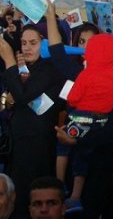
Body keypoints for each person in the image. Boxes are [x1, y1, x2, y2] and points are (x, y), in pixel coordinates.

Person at [63, 34, 113, 213]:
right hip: (83, 154)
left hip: (98, 163)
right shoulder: (112, 78)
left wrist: (77, 140)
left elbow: (112, 131)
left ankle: (73, 195)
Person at [0, 25, 66, 219]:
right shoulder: (30, 69)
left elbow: (21, 96)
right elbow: (14, 98)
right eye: (23, 43)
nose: (27, 47)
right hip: (20, 144)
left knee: (34, 200)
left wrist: (9, 60)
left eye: (33, 43)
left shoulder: (50, 68)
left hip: (37, 145)